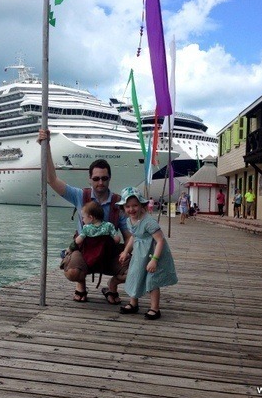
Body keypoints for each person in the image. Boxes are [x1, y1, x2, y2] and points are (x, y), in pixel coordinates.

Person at [37, 128, 130, 304]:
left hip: (109, 252)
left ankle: (112, 286)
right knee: (72, 271)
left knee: (133, 269)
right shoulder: (80, 196)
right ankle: (81, 284)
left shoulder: (119, 203)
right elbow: (52, 180)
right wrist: (47, 145)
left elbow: (127, 236)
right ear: (89, 179)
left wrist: (129, 253)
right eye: (96, 179)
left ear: (109, 178)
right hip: (85, 250)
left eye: (104, 178)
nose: (100, 182)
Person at [117, 187, 178, 320]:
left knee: (152, 280)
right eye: (127, 206)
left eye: (135, 205)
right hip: (140, 254)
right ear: (123, 208)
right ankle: (133, 303)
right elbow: (134, 236)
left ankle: (155, 308)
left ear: (141, 205)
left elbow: (160, 240)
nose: (131, 209)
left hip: (153, 253)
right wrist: (126, 251)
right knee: (134, 275)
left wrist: (154, 260)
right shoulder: (129, 220)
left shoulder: (148, 222)